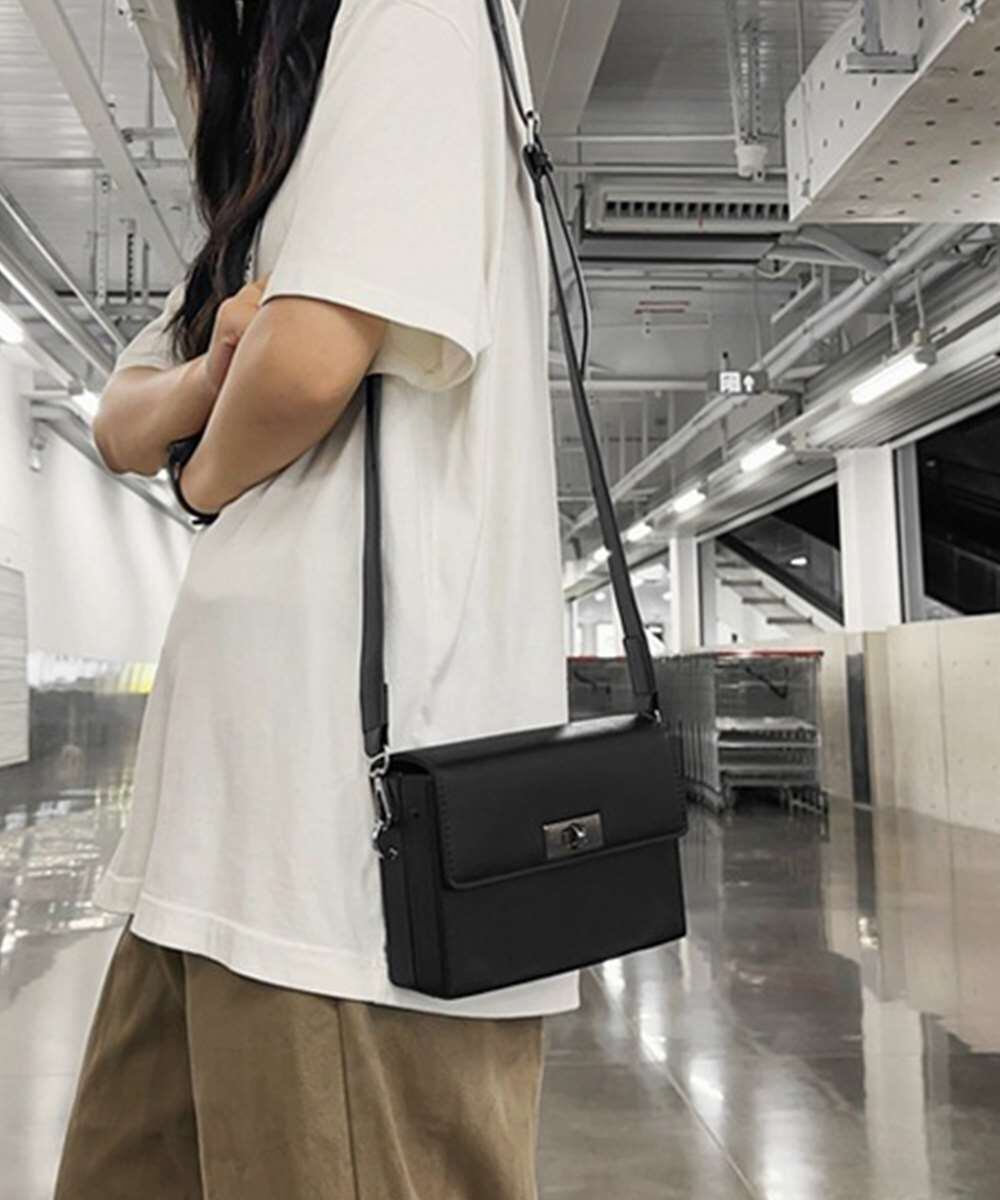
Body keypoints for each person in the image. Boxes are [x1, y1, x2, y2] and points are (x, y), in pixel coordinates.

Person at [53, 0, 580, 1196]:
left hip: (347, 856)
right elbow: (117, 420)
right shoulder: (284, 170)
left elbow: (302, 365)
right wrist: (213, 371)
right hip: (218, 844)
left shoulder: (416, 18)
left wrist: (201, 473)